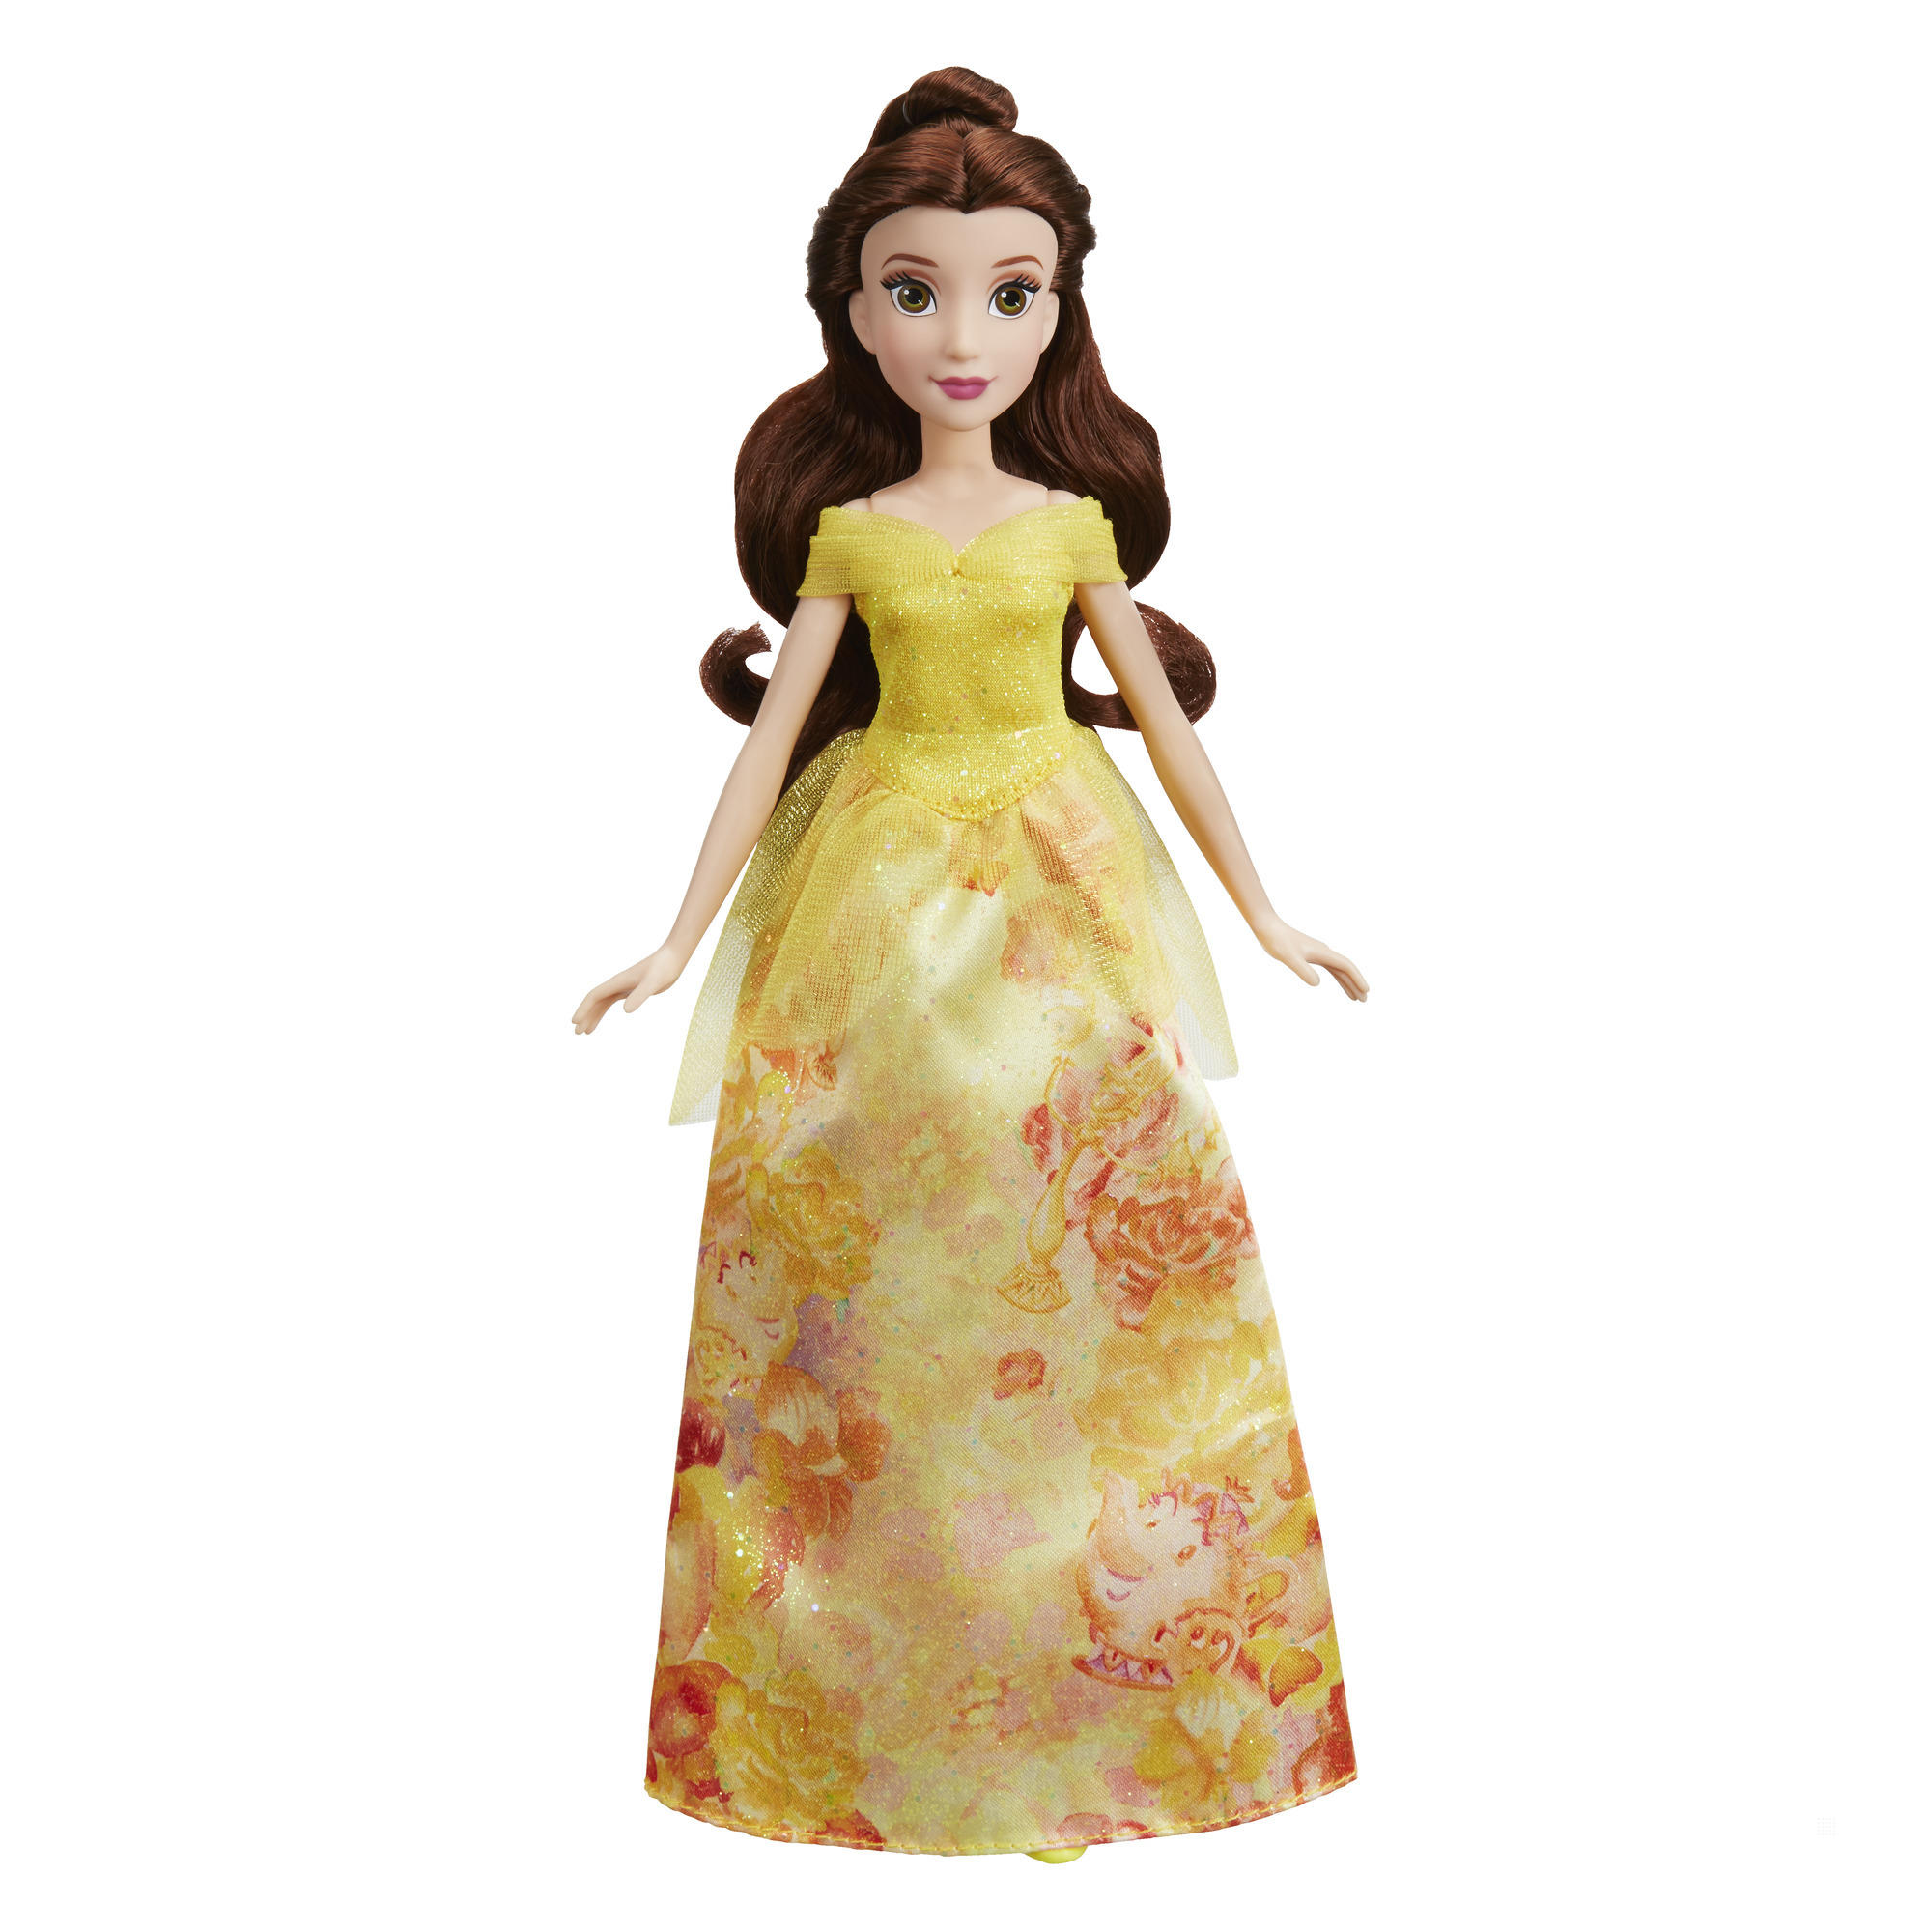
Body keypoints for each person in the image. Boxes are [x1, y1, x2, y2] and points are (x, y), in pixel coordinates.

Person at [575, 67, 1366, 1860]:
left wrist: (1266, 914)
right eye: (915, 290)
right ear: (853, 311)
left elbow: (1168, 734)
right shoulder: (854, 538)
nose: (962, 336)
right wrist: (676, 938)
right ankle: (855, 1700)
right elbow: (767, 752)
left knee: (1107, 1251)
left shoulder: (1069, 524)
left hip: (1062, 897)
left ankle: (1103, 1699)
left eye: (1011, 294)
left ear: (1059, 311)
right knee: (860, 1282)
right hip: (871, 907)